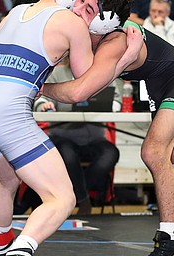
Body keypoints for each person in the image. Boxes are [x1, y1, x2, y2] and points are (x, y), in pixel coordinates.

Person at [43, 0, 174, 255]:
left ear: (106, 20)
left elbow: (80, 91)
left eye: (88, 9)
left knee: (154, 152)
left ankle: (168, 243)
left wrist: (38, 88)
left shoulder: (116, 41)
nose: (78, 10)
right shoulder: (93, 33)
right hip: (162, 86)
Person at [0, 1, 138, 256]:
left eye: (87, 9)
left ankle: (2, 247)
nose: (80, 10)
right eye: (83, 6)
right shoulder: (73, 24)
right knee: (62, 198)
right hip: (6, 116)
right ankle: (19, 251)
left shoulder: (16, 12)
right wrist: (125, 59)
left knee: (7, 179)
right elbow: (86, 86)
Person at [36, 61, 121, 215]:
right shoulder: (57, 74)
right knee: (67, 154)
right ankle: (84, 200)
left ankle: (75, 195)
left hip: (95, 139)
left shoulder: (104, 71)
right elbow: (41, 97)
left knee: (111, 154)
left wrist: (111, 106)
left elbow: (116, 99)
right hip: (63, 135)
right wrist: (44, 105)